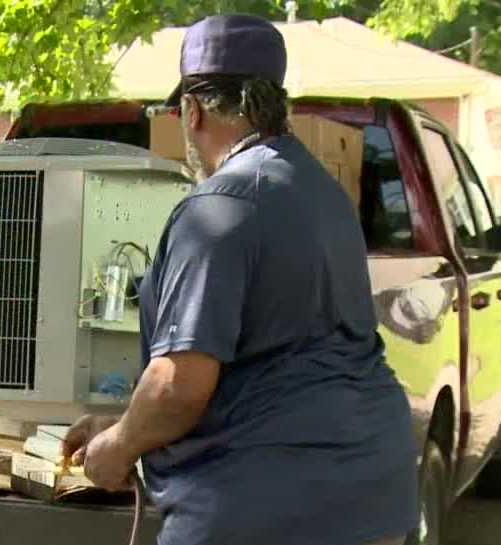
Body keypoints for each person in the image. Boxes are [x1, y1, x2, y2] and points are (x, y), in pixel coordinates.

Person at [62, 14, 418, 545]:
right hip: (373, 491)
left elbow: (181, 386)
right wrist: (121, 424)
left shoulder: (220, 206)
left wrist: (119, 448)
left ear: (193, 110)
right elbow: (280, 353)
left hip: (263, 504)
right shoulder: (322, 193)